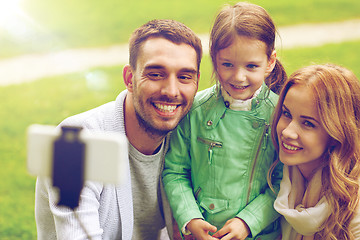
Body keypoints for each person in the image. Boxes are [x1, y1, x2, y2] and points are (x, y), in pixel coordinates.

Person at [35, 19, 202, 240]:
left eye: (184, 77)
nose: (172, 91)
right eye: (155, 74)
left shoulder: (189, 134)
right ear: (129, 78)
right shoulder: (71, 143)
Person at [162, 2, 287, 240]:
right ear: (215, 59)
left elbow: (285, 182)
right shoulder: (195, 110)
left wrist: (248, 221)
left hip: (261, 234)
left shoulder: (280, 114)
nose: (239, 77)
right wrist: (191, 218)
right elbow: (175, 171)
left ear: (270, 62)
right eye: (227, 64)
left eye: (251, 66)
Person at [269, 64, 360, 239]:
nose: (287, 132)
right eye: (286, 113)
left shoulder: (354, 207)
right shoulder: (276, 174)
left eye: (308, 123)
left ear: (337, 134)